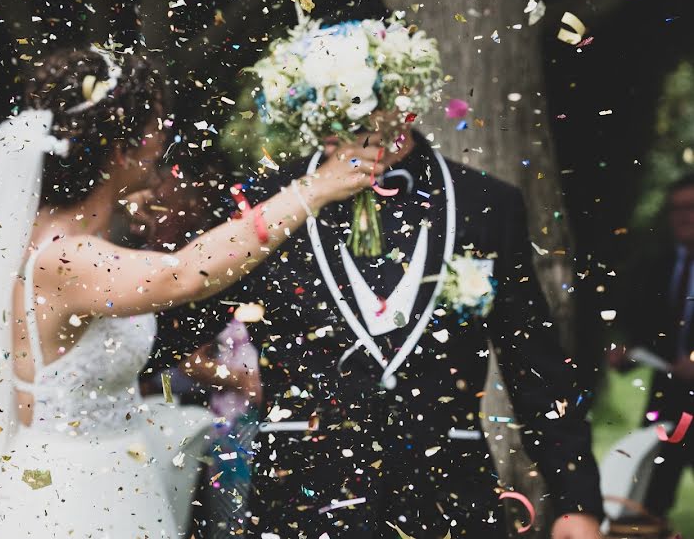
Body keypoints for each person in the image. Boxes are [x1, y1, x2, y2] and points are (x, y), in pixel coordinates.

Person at [0, 46, 385, 539]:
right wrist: (317, 186)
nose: (161, 142)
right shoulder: (68, 259)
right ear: (120, 150)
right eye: (153, 128)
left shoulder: (56, 234)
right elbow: (188, 274)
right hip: (70, 495)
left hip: (106, 470)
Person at [160, 124, 605, 538]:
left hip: (449, 497)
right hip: (303, 499)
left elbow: (535, 366)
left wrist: (575, 498)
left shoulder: (485, 203)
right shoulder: (266, 200)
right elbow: (178, 323)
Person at [612, 173, 694, 521]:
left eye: (691, 207)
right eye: (676, 209)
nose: (683, 216)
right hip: (669, 399)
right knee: (649, 498)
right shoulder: (658, 265)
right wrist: (625, 352)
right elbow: (645, 328)